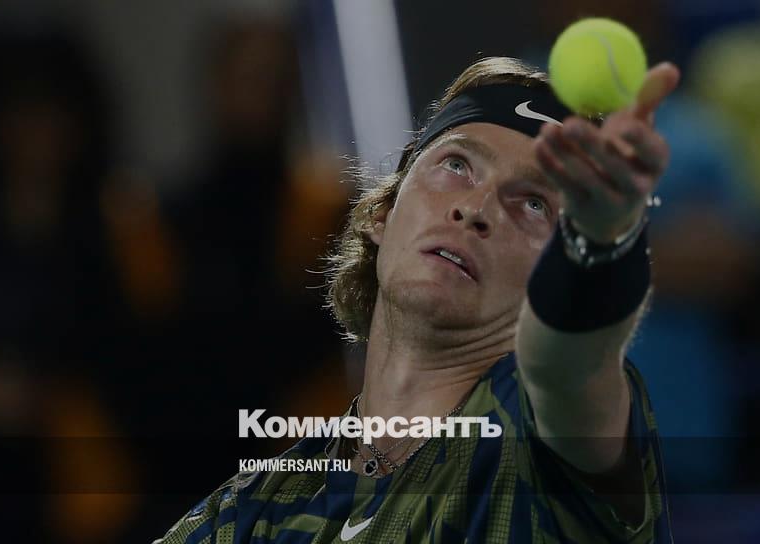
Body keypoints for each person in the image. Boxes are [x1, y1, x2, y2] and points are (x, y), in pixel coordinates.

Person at [155, 56, 680, 543]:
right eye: (457, 166)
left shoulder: (539, 431)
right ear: (381, 215)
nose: (476, 208)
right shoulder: (255, 507)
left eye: (535, 204)